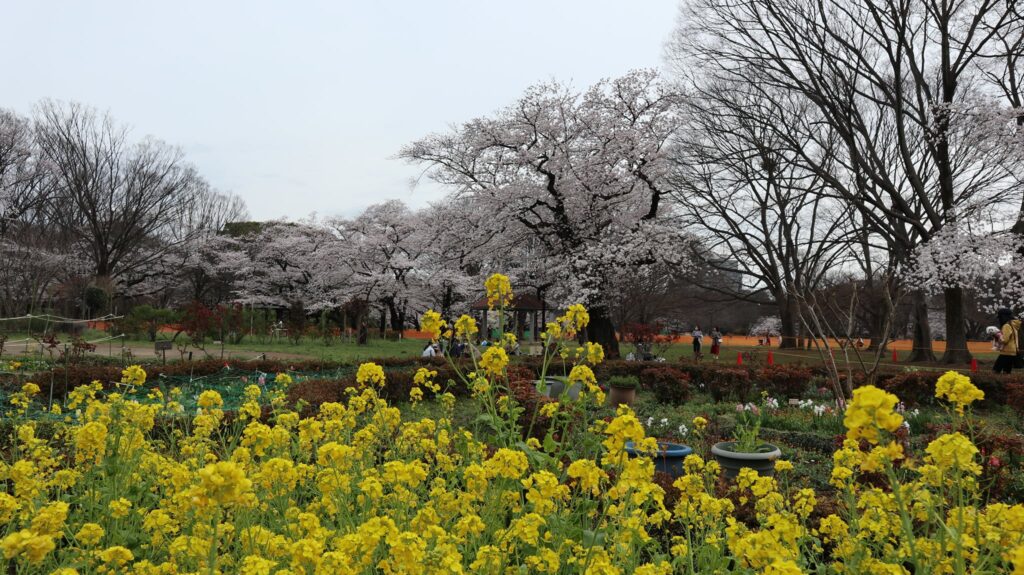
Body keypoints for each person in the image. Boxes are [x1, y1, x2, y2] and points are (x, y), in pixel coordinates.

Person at [994, 308, 1020, 374]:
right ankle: (1007, 383)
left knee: (996, 371)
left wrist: (997, 335)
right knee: (1007, 372)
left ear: (1003, 317)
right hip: (1013, 352)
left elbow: (1005, 340)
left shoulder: (1006, 326)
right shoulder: (1013, 325)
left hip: (1006, 352)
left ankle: (997, 383)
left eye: (999, 317)